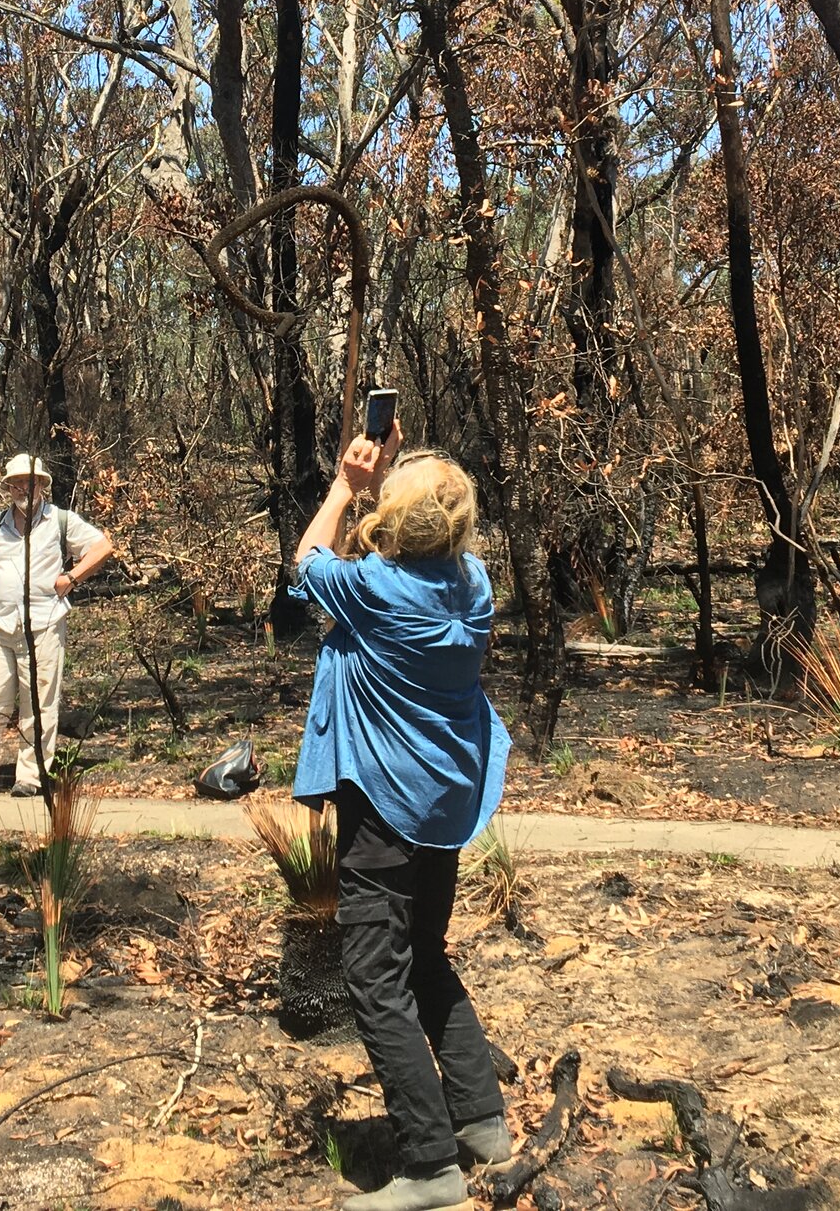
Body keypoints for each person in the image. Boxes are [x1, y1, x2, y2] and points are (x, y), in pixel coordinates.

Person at [290, 428, 514, 1211]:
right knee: (425, 953)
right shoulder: (476, 583)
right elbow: (402, 549)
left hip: (383, 805)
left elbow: (307, 561)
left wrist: (345, 485)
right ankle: (482, 1119)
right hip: (443, 803)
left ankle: (429, 1164)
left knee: (374, 978)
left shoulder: (376, 589)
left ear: (396, 522)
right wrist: (387, 492)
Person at [0, 453, 114, 796]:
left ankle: (31, 775)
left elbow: (102, 547)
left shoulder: (61, 521)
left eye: (29, 481)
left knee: (39, 699)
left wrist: (71, 577)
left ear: (41, 484)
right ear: (8, 486)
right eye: (15, 482)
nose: (22, 487)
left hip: (44, 623)